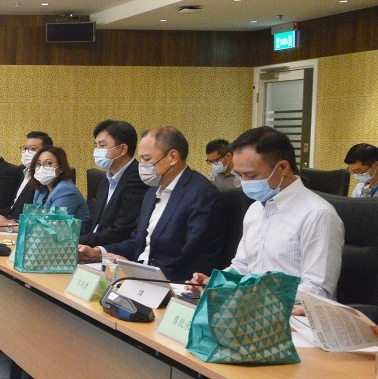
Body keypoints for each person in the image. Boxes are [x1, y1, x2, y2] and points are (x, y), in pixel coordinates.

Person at [188, 126, 344, 303]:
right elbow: (242, 267)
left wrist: (251, 293)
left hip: (292, 313)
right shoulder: (255, 209)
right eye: (240, 175)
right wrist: (215, 282)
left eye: (251, 175)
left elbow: (318, 291)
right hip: (249, 306)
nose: (244, 183)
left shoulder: (317, 215)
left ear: (282, 167)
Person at [78, 126, 221, 282]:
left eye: (147, 159)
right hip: (141, 277)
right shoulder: (152, 192)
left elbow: (190, 255)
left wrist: (138, 270)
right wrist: (99, 252)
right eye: (141, 159)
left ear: (173, 157)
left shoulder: (200, 193)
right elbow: (137, 241)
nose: (141, 166)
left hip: (174, 283)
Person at [80, 120, 149, 247]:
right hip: (94, 246)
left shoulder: (137, 179)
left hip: (114, 250)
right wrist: (67, 236)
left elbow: (120, 231)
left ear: (122, 149)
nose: (97, 151)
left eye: (102, 145)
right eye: (96, 145)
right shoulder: (105, 179)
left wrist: (75, 243)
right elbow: (93, 222)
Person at [0, 131, 51, 225]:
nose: (27, 152)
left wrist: (9, 224)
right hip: (10, 222)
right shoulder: (20, 171)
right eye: (25, 148)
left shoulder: (44, 178)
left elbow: (35, 218)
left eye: (32, 149)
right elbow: (13, 207)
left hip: (21, 226)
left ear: (45, 153)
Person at [29, 147, 90, 223]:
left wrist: (16, 226)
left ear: (61, 168)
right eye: (38, 164)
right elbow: (33, 219)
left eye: (48, 163)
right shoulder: (41, 189)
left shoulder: (65, 190)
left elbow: (53, 223)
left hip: (68, 230)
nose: (42, 168)